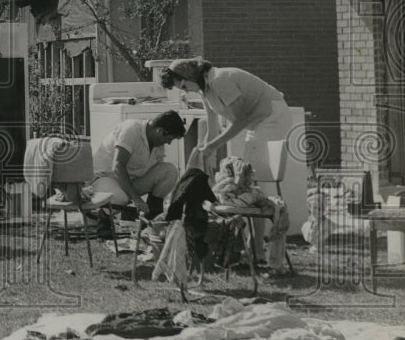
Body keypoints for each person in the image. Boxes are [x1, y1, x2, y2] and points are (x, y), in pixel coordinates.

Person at [159, 57, 292, 179]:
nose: (186, 91)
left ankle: (269, 204)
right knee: (249, 173)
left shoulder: (219, 80)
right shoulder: (204, 91)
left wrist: (212, 146)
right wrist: (204, 149)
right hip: (256, 121)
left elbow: (240, 120)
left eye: (183, 86)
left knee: (257, 173)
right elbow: (212, 127)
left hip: (272, 115)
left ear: (189, 76)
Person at [88, 110, 187, 220]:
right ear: (160, 131)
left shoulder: (157, 144)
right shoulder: (131, 129)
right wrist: (136, 199)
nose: (168, 143)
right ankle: (100, 220)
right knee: (119, 199)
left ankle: (151, 219)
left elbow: (158, 175)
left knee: (170, 171)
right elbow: (117, 167)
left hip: (128, 182)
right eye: (169, 139)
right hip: (105, 177)